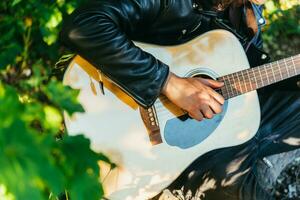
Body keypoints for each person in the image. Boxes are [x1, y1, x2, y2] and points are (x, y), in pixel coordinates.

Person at [60, 0, 300, 199]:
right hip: (167, 140)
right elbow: (83, 26)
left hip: (226, 122)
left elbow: (247, 71)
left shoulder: (246, 11)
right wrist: (168, 83)